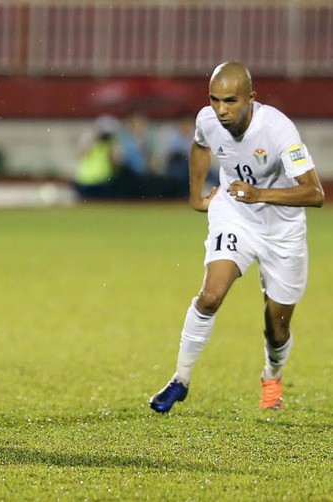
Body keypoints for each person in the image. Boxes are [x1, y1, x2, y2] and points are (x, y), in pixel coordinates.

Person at [149, 61, 324, 413]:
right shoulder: (208, 120)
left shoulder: (278, 130)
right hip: (236, 217)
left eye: (230, 100)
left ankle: (272, 375)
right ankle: (180, 380)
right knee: (211, 295)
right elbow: (200, 146)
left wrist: (260, 194)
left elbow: (314, 193)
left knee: (277, 330)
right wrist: (196, 196)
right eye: (214, 100)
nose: (221, 110)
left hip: (283, 231)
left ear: (250, 98)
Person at [73, 115, 121, 200]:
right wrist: (93, 140)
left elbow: (117, 162)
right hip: (86, 181)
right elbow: (80, 155)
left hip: (104, 181)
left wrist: (113, 150)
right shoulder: (88, 138)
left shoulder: (112, 142)